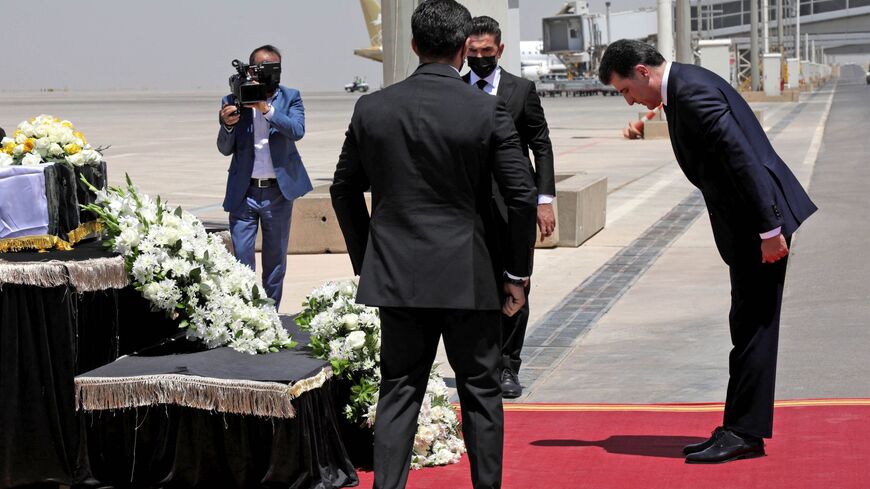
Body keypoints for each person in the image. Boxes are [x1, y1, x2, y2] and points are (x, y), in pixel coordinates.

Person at [330, 1, 537, 487]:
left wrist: (368, 261)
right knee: (481, 391)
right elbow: (522, 196)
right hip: (469, 274)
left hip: (396, 275)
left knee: (399, 390)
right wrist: (515, 274)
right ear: (465, 48)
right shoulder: (487, 108)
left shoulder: (372, 107)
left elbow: (343, 189)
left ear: (415, 46)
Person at [598, 39, 817, 464]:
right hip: (751, 228)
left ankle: (744, 433)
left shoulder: (691, 92)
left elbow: (744, 160)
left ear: (643, 72)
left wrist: (769, 228)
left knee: (754, 328)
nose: (628, 102)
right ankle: (740, 427)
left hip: (759, 228)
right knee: (747, 325)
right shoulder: (683, 88)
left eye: (625, 90)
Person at [463, 15, 556, 399]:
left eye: (487, 52)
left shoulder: (521, 90)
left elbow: (541, 144)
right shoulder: (456, 89)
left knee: (515, 282)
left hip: (512, 204)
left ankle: (508, 367)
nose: (481, 58)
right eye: (473, 52)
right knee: (473, 285)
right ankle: (479, 362)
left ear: (500, 50)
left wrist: (544, 199)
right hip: (468, 205)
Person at [217, 44, 312, 309]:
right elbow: (225, 148)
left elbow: (297, 130)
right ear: (250, 70)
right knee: (241, 260)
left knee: (275, 260)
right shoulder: (232, 100)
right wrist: (227, 125)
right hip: (244, 193)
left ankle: (270, 315)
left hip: (278, 193)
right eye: (262, 68)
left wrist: (265, 109)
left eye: (274, 68)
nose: (269, 74)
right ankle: (246, 316)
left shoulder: (291, 96)